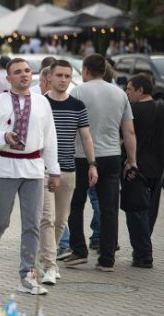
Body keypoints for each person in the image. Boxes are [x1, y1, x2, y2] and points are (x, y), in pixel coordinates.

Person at [0, 58, 60, 295]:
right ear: (8, 77)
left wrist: (54, 170)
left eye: (27, 71)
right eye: (17, 72)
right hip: (6, 167)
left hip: (34, 168)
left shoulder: (42, 102)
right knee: (0, 220)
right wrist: (3, 137)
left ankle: (27, 274)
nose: (23, 75)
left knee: (32, 223)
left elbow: (50, 138)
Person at [63, 54, 137, 271]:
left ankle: (78, 250)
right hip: (112, 156)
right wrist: (132, 160)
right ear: (104, 70)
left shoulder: (77, 92)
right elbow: (129, 131)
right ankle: (107, 258)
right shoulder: (119, 94)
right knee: (109, 208)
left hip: (80, 156)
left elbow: (69, 127)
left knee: (75, 204)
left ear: (85, 70)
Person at [38, 59, 98, 285]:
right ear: (49, 78)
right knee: (47, 219)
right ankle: (50, 265)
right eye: (59, 75)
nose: (63, 80)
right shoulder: (39, 103)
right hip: (42, 170)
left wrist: (93, 164)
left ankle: (47, 256)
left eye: (67, 76)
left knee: (61, 221)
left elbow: (85, 137)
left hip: (69, 170)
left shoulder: (77, 106)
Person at [124, 74, 164, 268]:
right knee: (151, 209)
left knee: (135, 210)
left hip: (136, 167)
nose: (127, 93)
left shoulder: (131, 111)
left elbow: (125, 138)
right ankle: (143, 248)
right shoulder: (161, 107)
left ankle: (143, 254)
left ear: (140, 91)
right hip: (157, 169)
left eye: (130, 90)